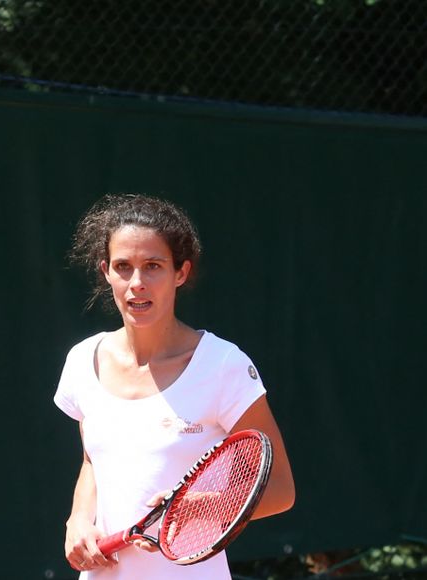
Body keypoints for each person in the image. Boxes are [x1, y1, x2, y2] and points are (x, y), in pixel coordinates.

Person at [54, 193, 295, 579]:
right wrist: (78, 521)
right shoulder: (84, 361)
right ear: (105, 272)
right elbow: (92, 462)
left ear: (180, 273)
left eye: (153, 266)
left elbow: (280, 489)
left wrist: (203, 507)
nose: (137, 283)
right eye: (123, 267)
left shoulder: (223, 365)